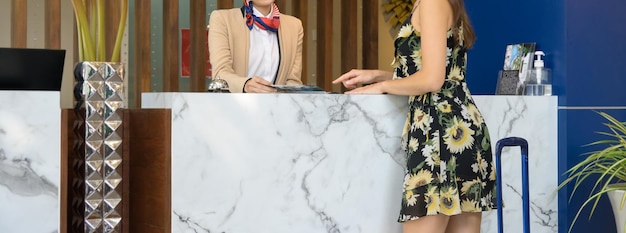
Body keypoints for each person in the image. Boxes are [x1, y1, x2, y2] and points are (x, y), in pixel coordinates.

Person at [333, 0, 496, 232]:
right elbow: (438, 70)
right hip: (461, 132)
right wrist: (379, 76)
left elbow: (432, 79)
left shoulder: (432, 2)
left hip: (439, 135)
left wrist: (384, 86)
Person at [208, 0, 304, 93]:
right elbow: (220, 73)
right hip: (235, 105)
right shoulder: (222, 19)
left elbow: (293, 82)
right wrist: (245, 85)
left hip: (277, 107)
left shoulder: (294, 26)